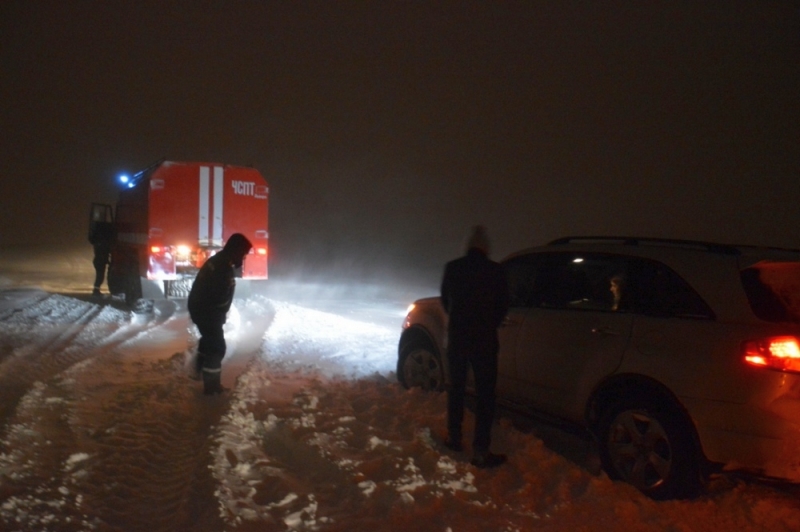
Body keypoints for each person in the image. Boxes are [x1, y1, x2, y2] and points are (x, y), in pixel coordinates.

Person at [440, 225, 510, 468]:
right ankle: (481, 450)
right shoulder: (496, 271)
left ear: (467, 246)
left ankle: (454, 437)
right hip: (484, 341)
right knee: (485, 396)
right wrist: (489, 323)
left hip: (458, 339)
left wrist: (459, 319)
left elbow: (444, 300)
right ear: (486, 248)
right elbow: (503, 305)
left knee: (456, 389)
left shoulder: (453, 268)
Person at [188, 233, 252, 395]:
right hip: (207, 312)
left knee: (208, 340)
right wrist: (220, 314)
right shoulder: (223, 267)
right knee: (217, 348)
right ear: (236, 250)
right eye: (243, 254)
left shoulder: (219, 261)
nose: (243, 258)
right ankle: (212, 388)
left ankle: (197, 370)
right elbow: (219, 297)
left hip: (200, 309)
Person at [88, 221, 114, 297]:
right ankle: (96, 290)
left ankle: (96, 290)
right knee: (100, 276)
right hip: (100, 261)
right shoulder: (102, 245)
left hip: (98, 260)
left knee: (99, 276)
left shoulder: (98, 243)